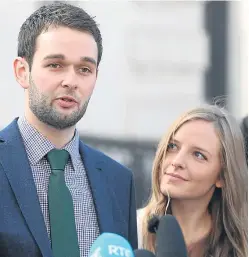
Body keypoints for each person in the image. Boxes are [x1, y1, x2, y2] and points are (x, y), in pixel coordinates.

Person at [0, 2, 137, 257]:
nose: (71, 81)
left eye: (84, 69)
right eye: (55, 65)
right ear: (22, 71)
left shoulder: (118, 182)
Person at [137, 105, 247, 257]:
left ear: (221, 177)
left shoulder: (242, 246)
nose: (177, 161)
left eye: (198, 155)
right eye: (172, 146)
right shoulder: (129, 230)